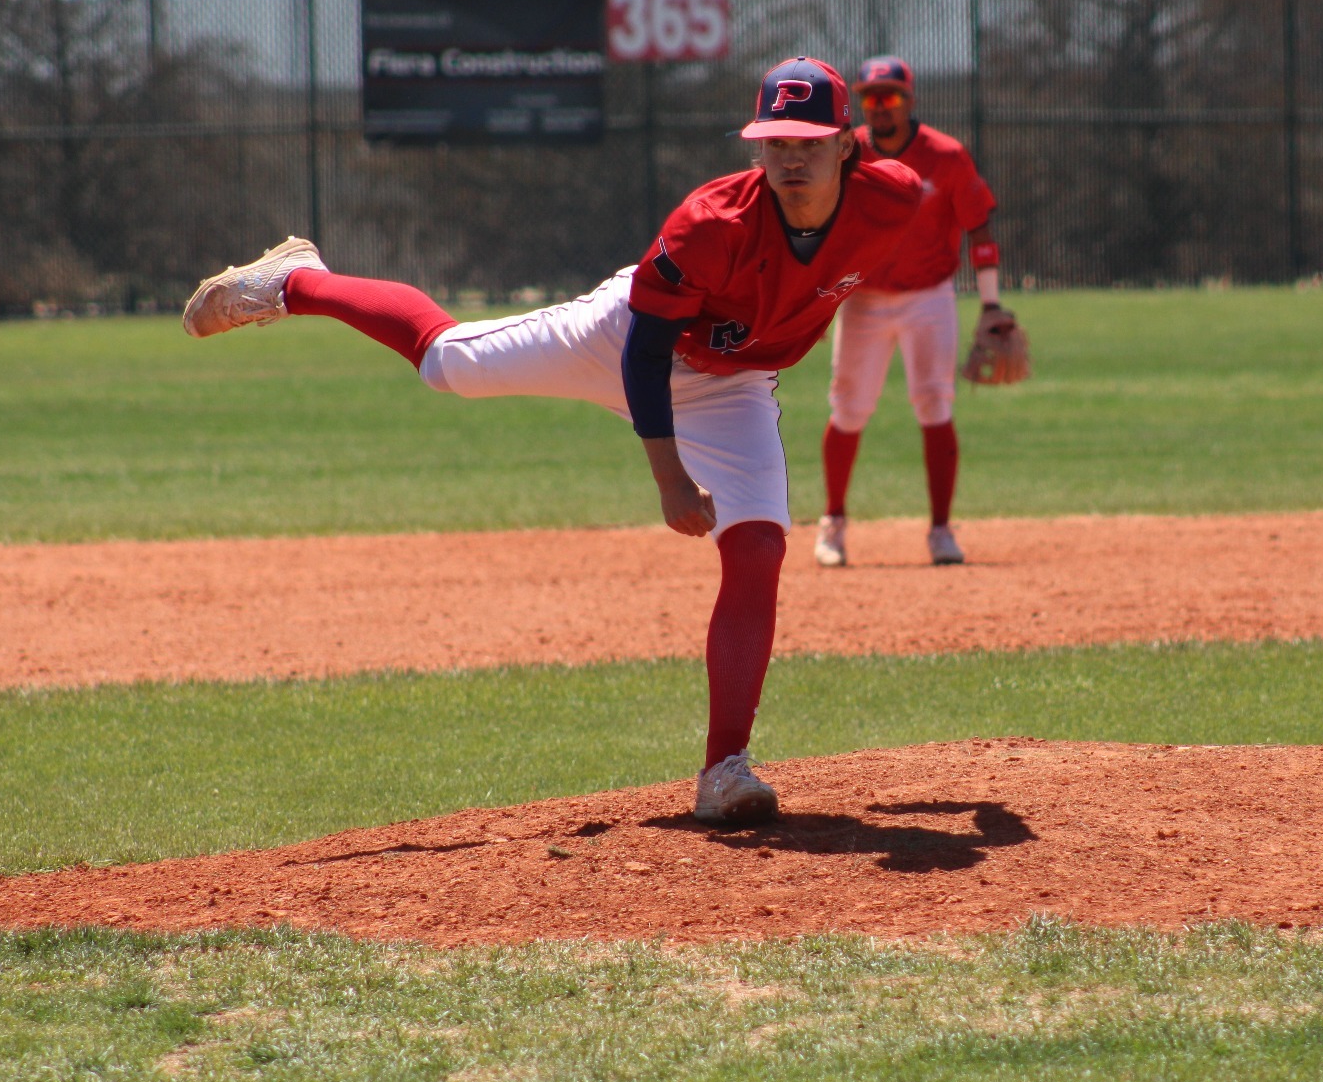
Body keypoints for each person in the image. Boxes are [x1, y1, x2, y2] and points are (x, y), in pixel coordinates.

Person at [181, 56, 921, 826]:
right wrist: (668, 479)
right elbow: (645, 354)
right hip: (625, 338)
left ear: (847, 145)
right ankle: (297, 282)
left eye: (809, 139)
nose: (791, 156)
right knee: (446, 364)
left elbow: (933, 233)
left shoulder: (894, 201)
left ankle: (725, 770)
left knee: (760, 543)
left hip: (734, 383)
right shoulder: (712, 224)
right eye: (774, 141)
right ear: (755, 149)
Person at [814, 54, 1015, 569]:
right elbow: (820, 227)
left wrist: (991, 304)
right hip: (864, 297)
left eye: (892, 97)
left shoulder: (945, 156)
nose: (881, 107)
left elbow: (980, 230)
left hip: (929, 296)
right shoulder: (849, 151)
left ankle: (942, 531)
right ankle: (833, 523)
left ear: (910, 100)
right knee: (849, 408)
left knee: (935, 405)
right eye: (871, 97)